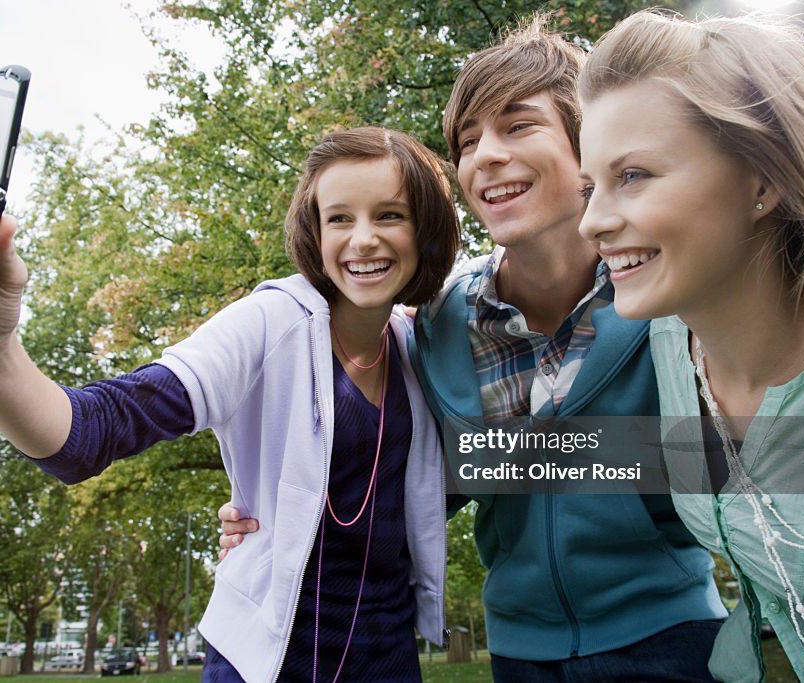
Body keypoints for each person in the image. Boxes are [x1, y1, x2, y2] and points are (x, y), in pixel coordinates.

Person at [222, 16, 729, 682]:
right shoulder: (435, 326)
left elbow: (764, 455)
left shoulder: (667, 296)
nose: (484, 154)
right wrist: (278, 513)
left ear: (590, 147)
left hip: (672, 634)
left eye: (518, 126)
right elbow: (412, 484)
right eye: (467, 141)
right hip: (521, 652)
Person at [0, 126, 461, 683]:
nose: (363, 238)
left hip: (387, 655)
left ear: (426, 230)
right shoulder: (270, 322)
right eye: (339, 218)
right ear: (316, 232)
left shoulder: (421, 346)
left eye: (390, 215)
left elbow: (444, 487)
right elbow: (94, 432)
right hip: (265, 659)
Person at [577, 10, 804, 683]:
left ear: (763, 182)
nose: (592, 221)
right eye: (591, 186)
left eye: (635, 175)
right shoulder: (668, 339)